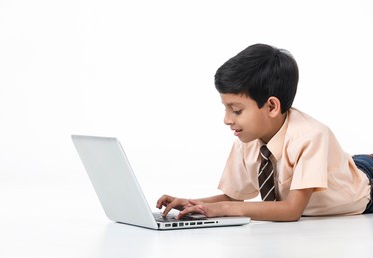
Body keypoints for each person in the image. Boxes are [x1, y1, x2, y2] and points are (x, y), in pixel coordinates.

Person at [156, 43, 373, 222]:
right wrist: (194, 204)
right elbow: (232, 197)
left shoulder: (312, 136)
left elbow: (291, 210)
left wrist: (221, 209)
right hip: (341, 168)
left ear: (271, 107)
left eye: (236, 110)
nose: (227, 119)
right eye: (225, 108)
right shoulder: (247, 138)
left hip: (366, 186)